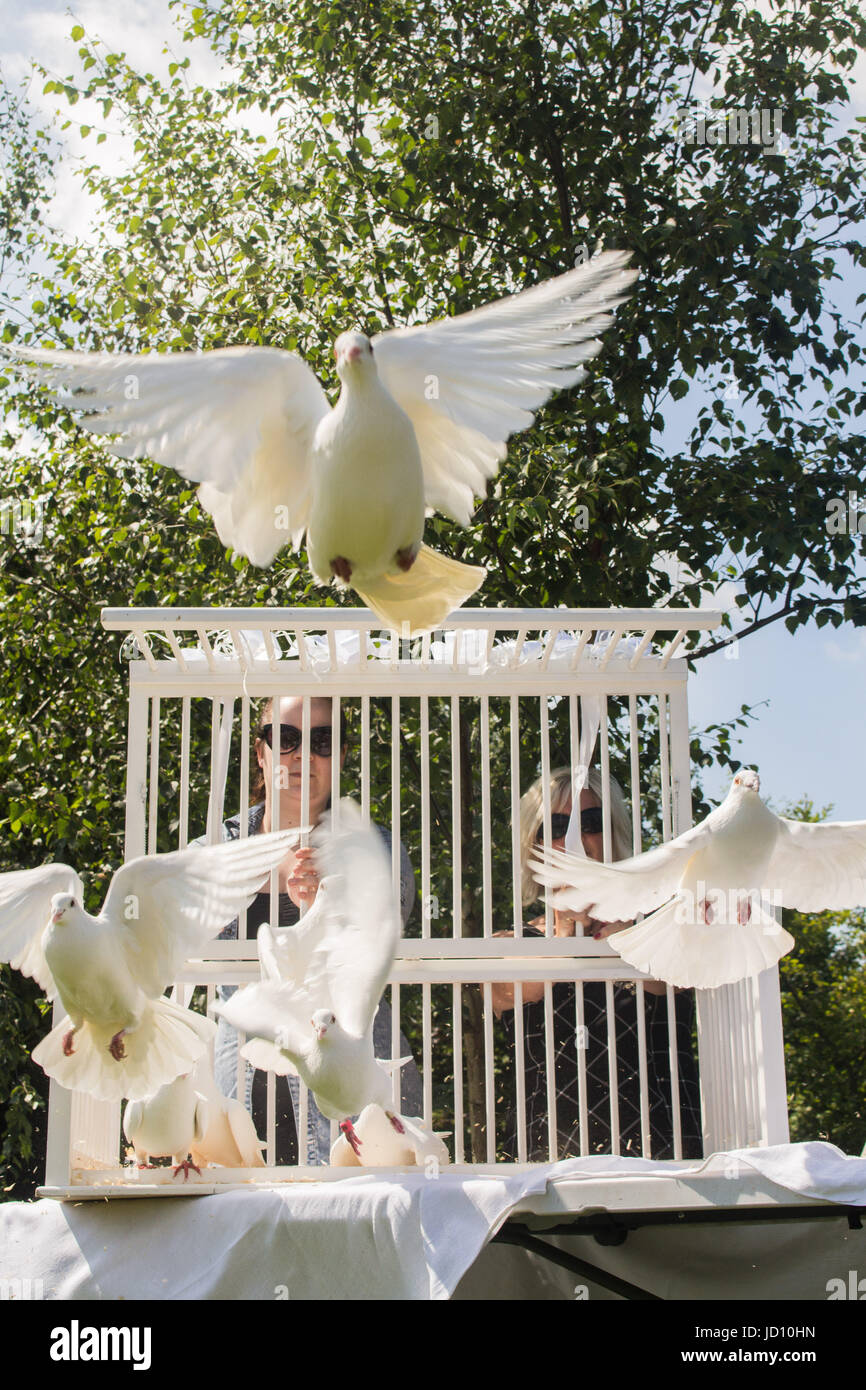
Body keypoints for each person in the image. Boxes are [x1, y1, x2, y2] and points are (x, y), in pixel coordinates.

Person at [213, 694, 421, 1164]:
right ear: (261, 753)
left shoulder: (378, 852)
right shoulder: (215, 851)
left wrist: (323, 908)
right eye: (286, 739)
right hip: (243, 1100)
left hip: (357, 1108)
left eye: (322, 740)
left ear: (343, 755)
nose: (304, 756)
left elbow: (379, 942)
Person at [493, 766, 703, 1161]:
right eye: (555, 827)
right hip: (544, 1166)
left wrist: (627, 927)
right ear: (533, 846)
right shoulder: (513, 943)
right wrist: (567, 922)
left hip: (667, 1160)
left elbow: (675, 978)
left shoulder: (662, 922)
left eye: (589, 823)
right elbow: (511, 989)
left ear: (614, 835)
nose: (572, 839)